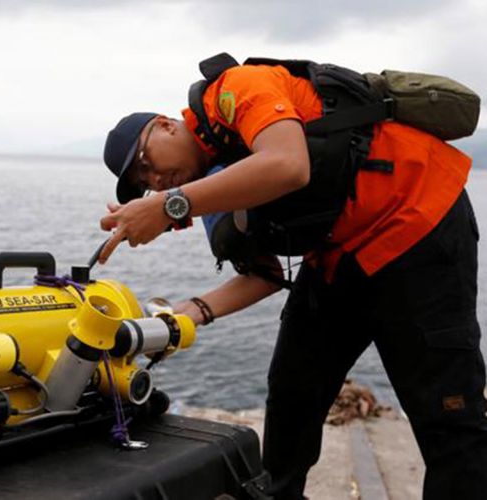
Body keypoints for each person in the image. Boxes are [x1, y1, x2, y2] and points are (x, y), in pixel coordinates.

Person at [99, 56, 487, 499]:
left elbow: (289, 164)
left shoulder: (236, 89)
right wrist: (195, 310)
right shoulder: (220, 180)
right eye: (144, 181)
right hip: (341, 256)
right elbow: (262, 275)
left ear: (167, 125)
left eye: (146, 161)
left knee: (449, 417)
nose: (155, 177)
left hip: (418, 224)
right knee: (292, 393)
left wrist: (167, 205)